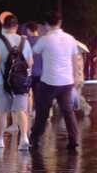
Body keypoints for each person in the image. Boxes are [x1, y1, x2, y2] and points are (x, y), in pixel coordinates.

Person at [30, 11, 80, 150]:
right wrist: (75, 77)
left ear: (46, 25)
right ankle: (73, 139)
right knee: (68, 111)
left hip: (49, 82)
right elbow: (75, 59)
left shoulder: (45, 39)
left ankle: (35, 138)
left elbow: (35, 51)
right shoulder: (70, 39)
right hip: (66, 81)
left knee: (42, 112)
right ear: (60, 23)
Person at [0, 14, 33, 150]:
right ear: (16, 27)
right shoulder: (24, 41)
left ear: (3, 26)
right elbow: (30, 62)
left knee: (2, 111)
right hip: (20, 81)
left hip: (1, 81)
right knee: (21, 110)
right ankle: (24, 138)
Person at [26, 22, 42, 117]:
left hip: (29, 72)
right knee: (39, 94)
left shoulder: (26, 41)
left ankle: (29, 111)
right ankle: (38, 111)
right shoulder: (43, 40)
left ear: (28, 30)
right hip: (41, 73)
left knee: (28, 94)